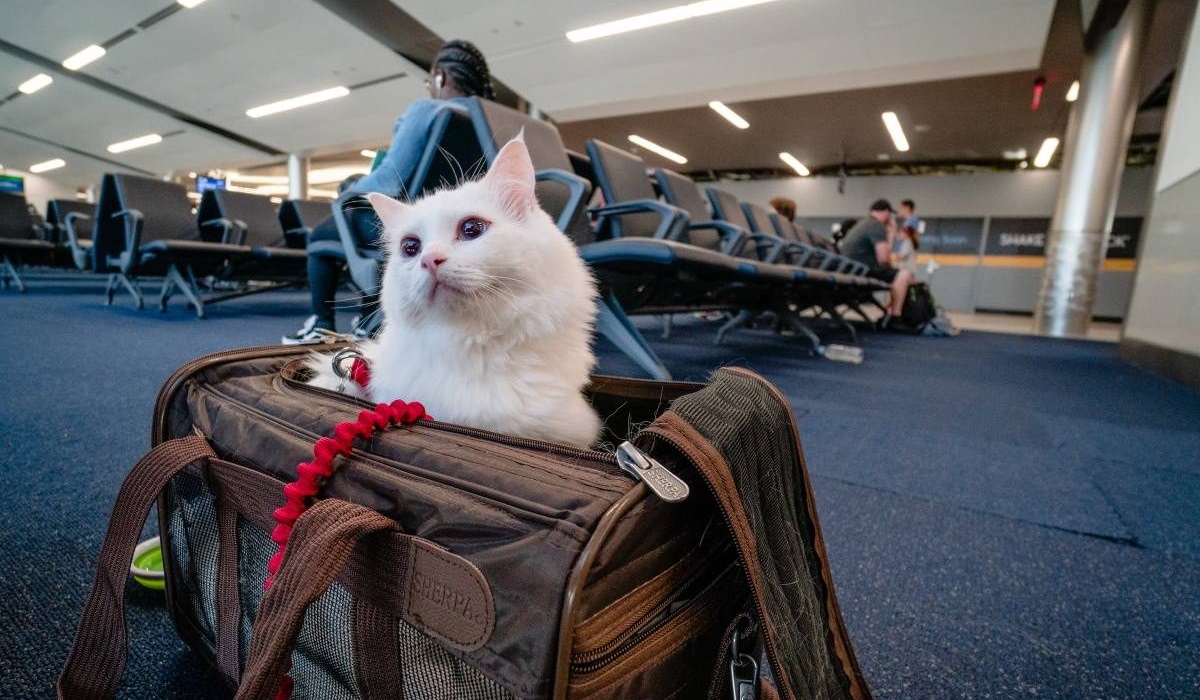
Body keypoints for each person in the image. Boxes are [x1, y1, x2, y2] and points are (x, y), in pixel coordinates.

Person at [283, 39, 496, 344]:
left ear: (440, 77)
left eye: (430, 81)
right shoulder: (483, 122)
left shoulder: (428, 110)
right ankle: (366, 322)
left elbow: (389, 180)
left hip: (411, 228)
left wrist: (348, 193)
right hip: (458, 233)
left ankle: (321, 324)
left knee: (322, 235)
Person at [839, 199, 914, 330]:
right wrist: (891, 233)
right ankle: (895, 317)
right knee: (905, 274)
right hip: (862, 269)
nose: (891, 218)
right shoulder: (876, 226)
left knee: (897, 276)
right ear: (886, 212)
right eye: (890, 214)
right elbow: (884, 259)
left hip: (853, 268)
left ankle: (890, 313)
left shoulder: (864, 224)